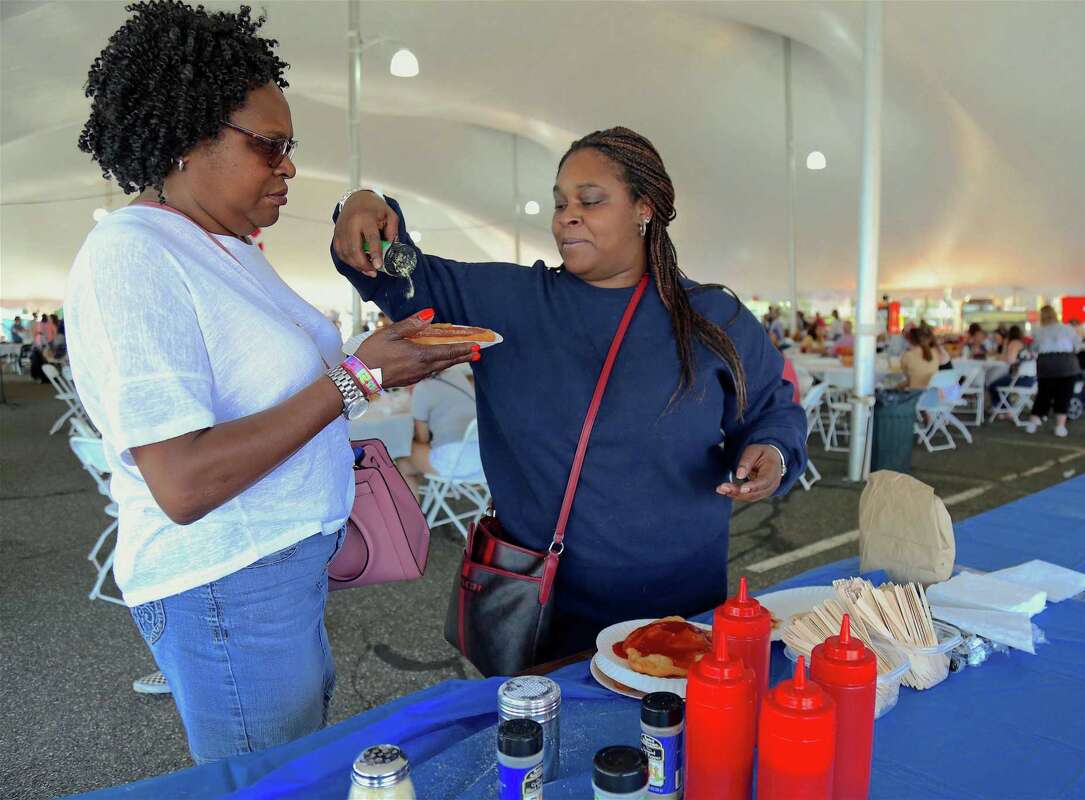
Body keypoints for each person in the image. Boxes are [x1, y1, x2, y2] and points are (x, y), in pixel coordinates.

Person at [65, 0, 477, 764]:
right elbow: (183, 481)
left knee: (295, 759)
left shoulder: (224, 247)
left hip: (277, 574)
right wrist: (361, 374)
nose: (287, 167)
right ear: (187, 138)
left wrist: (367, 221)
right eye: (269, 147)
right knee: (274, 778)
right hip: (227, 584)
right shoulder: (132, 255)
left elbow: (285, 382)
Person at [331, 126, 806, 659]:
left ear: (644, 208)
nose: (566, 217)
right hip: (547, 607)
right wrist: (362, 204)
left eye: (590, 200)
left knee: (675, 711)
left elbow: (773, 409)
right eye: (560, 203)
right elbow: (392, 268)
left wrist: (773, 452)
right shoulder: (509, 301)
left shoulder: (713, 317)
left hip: (682, 604)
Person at [397, 364, 479, 493]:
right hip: (483, 459)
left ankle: (412, 507)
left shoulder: (422, 388)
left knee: (404, 459)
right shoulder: (457, 375)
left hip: (456, 463)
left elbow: (423, 438)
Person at [1026, 305, 1081, 437]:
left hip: (1046, 365)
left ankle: (1032, 423)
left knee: (1043, 395)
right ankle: (1060, 427)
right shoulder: (1067, 329)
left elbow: (1033, 349)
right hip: (1066, 365)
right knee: (1064, 396)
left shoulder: (1039, 331)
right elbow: (1077, 346)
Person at [987, 325, 1033, 408]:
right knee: (1001, 383)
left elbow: (1010, 360)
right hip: (1030, 379)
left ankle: (1004, 409)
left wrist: (1005, 345)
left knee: (993, 385)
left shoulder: (1013, 343)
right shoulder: (1021, 343)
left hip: (1020, 379)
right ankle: (1006, 409)